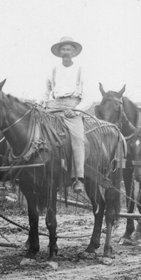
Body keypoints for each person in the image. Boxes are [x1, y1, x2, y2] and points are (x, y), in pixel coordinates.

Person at [44, 36, 89, 193]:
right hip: (54, 106)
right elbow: (46, 91)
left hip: (72, 107)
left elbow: (88, 97)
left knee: (77, 137)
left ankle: (78, 178)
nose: (66, 52)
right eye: (63, 49)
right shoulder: (54, 71)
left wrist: (76, 110)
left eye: (68, 49)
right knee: (36, 127)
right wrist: (41, 103)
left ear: (74, 52)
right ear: (59, 52)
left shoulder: (80, 71)